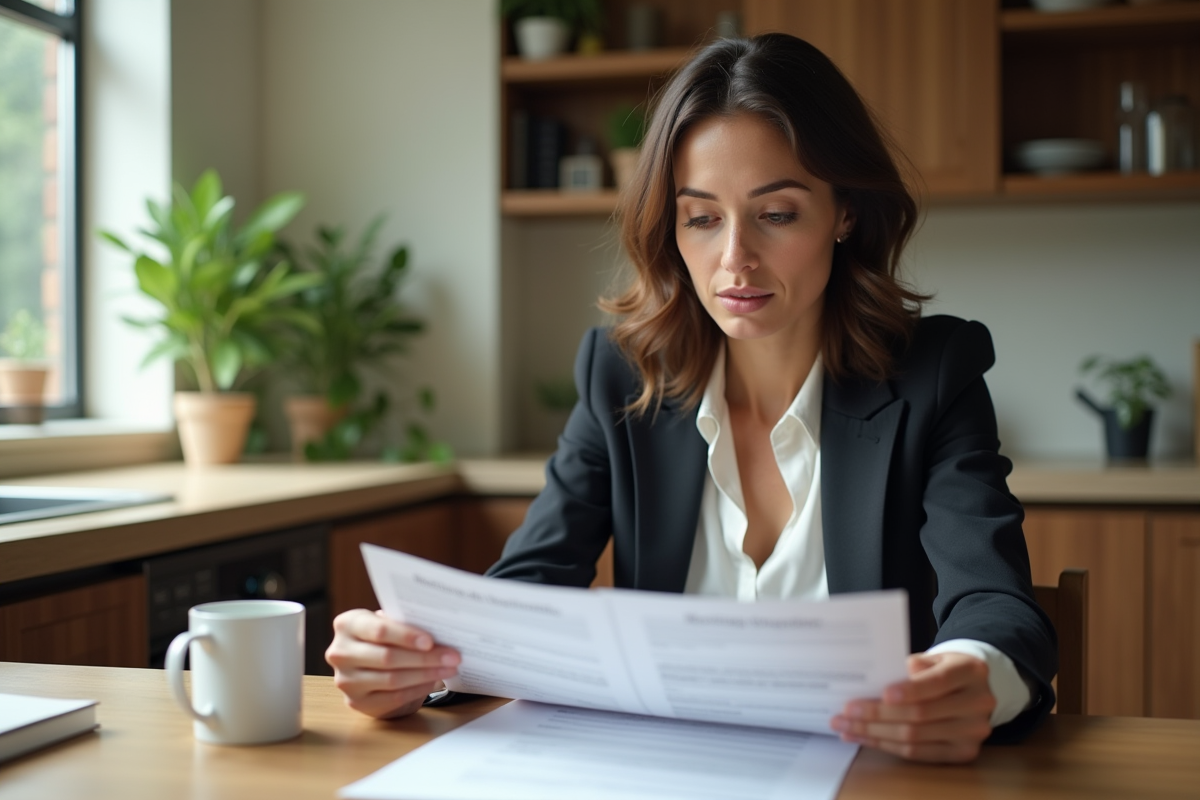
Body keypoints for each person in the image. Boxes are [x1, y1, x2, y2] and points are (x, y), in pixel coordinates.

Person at [325, 32, 1057, 764]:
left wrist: (975, 676)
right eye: (702, 217)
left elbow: (993, 603)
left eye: (777, 214)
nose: (734, 257)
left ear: (845, 213)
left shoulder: (935, 375)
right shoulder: (620, 377)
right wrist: (413, 666)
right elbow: (529, 589)